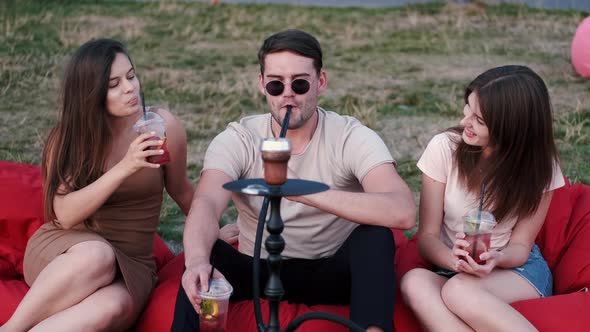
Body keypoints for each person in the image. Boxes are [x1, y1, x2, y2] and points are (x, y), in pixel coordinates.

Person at [172, 29, 416, 332]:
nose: (287, 94)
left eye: (299, 84)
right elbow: (207, 202)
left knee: (375, 237)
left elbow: (403, 210)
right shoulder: (240, 138)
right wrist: (196, 261)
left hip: (330, 270)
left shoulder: (349, 135)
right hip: (258, 269)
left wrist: (305, 192)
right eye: (276, 84)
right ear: (262, 85)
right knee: (207, 256)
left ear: (321, 82)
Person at [0, 38, 194, 332]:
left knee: (116, 307)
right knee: (97, 256)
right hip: (69, 251)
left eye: (131, 76)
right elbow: (64, 215)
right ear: (90, 93)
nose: (130, 88)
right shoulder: (67, 138)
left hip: (133, 260)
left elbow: (181, 191)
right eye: (114, 84)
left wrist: (215, 230)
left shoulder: (162, 126)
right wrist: (125, 167)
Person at [400, 65, 564, 332]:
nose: (465, 121)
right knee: (414, 282)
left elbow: (521, 246)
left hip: (515, 272)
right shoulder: (444, 149)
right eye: (468, 108)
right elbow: (427, 237)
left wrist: (496, 258)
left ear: (511, 128)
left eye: (479, 119)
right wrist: (453, 260)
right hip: (452, 268)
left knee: (458, 292)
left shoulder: (540, 166)